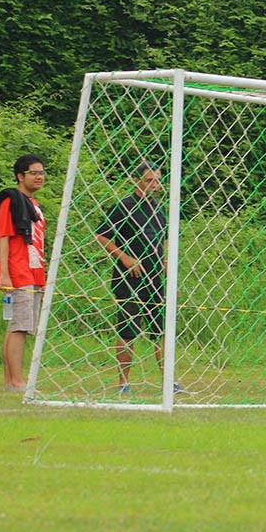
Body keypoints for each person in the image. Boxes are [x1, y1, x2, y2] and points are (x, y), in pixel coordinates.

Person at [94, 163, 184, 395]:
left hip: (156, 279)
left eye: (157, 181)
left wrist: (169, 273)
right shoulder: (123, 206)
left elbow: (164, 240)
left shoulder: (160, 209)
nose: (154, 185)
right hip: (129, 278)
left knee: (162, 330)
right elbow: (102, 235)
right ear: (137, 181)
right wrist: (124, 257)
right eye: (149, 181)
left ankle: (169, 382)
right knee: (128, 329)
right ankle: (123, 383)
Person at [0, 154, 47, 393]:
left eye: (41, 172)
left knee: (21, 325)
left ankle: (11, 379)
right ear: (20, 176)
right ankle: (16, 380)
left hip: (34, 271)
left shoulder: (33, 205)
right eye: (33, 173)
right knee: (19, 326)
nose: (39, 177)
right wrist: (4, 273)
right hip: (17, 271)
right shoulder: (10, 201)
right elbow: (4, 236)